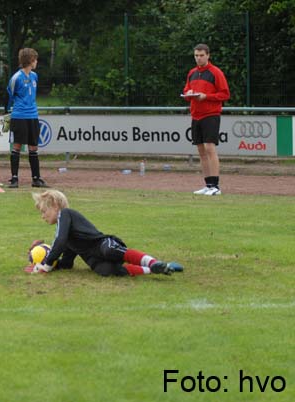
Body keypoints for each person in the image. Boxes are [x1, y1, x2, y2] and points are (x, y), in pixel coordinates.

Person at [30, 189, 184, 276]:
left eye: (44, 211)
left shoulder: (65, 214)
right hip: (92, 258)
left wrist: (47, 264)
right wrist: (42, 264)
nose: (42, 216)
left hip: (102, 244)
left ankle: (153, 262)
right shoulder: (66, 235)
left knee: (109, 250)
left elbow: (59, 241)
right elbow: (67, 263)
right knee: (105, 271)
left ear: (56, 206)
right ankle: (155, 269)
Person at [183, 43, 230, 196]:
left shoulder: (216, 72)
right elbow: (186, 90)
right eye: (196, 55)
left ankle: (216, 186)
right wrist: (188, 93)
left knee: (210, 148)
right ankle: (208, 184)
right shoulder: (192, 73)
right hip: (195, 114)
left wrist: (206, 97)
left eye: (201, 55)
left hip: (210, 114)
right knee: (201, 150)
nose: (198, 58)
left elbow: (225, 94)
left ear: (208, 55)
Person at [5, 48, 48, 188]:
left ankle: (36, 179)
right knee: (17, 146)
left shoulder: (35, 76)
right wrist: (9, 112)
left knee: (33, 147)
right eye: (35, 59)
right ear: (30, 60)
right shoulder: (16, 77)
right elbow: (10, 95)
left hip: (33, 115)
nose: (36, 62)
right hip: (19, 116)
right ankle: (14, 178)